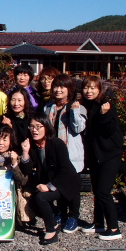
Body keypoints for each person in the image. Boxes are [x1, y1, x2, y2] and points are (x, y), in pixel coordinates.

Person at [19, 113, 81, 245]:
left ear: (46, 127)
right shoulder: (32, 145)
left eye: (38, 126)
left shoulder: (56, 143)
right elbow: (27, 170)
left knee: (40, 198)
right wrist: (25, 152)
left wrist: (49, 186)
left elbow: (65, 170)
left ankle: (51, 230)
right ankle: (54, 220)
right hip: (50, 181)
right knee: (33, 199)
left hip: (66, 182)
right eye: (31, 127)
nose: (34, 130)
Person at [80, 75, 123, 240]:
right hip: (95, 155)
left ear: (99, 89)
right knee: (97, 190)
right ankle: (98, 223)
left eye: (92, 88)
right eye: (85, 87)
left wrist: (104, 115)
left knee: (104, 191)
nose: (88, 91)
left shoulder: (105, 105)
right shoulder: (87, 106)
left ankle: (114, 228)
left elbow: (110, 130)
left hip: (110, 154)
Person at [43, 74, 87, 233]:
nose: (58, 90)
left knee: (73, 188)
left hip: (71, 153)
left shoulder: (77, 107)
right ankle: (61, 214)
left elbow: (78, 128)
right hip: (53, 153)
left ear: (70, 89)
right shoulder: (48, 107)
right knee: (58, 185)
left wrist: (75, 112)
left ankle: (73, 216)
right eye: (56, 86)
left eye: (62, 87)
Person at [0, 125, 32, 223]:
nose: (0, 143)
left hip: (8, 197)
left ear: (11, 141)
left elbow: (23, 181)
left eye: (5, 140)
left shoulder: (15, 157)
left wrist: (14, 164)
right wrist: (4, 169)